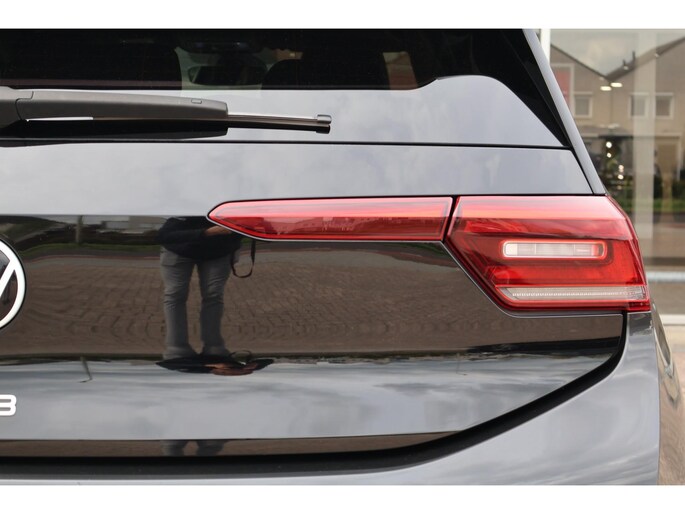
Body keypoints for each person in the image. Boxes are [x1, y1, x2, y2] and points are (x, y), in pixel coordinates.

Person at [158, 217, 242, 360]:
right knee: (175, 294)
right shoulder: (182, 211)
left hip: (219, 252)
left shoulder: (231, 208)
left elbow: (250, 228)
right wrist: (207, 232)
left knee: (213, 294)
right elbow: (163, 235)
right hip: (179, 249)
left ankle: (213, 346)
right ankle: (176, 347)